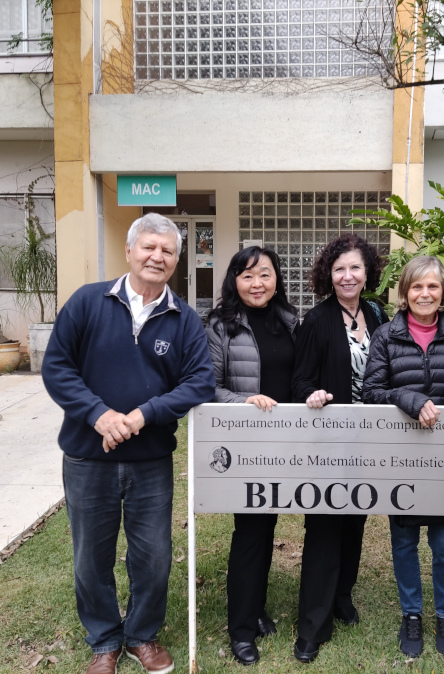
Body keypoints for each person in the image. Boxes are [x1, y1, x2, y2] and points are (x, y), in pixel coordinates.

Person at [41, 213, 215, 674]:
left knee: (154, 555)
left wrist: (143, 414)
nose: (158, 257)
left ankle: (142, 635)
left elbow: (199, 382)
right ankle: (103, 640)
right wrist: (99, 415)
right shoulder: (86, 302)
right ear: (130, 250)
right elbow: (57, 367)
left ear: (177, 260)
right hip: (87, 455)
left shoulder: (183, 319)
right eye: (149, 247)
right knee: (90, 557)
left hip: (150, 460)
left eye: (168, 251)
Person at [362, 256, 444, 658]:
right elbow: (371, 391)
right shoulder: (386, 336)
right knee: (405, 541)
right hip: (402, 454)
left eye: (432, 287)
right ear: (404, 292)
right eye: (416, 287)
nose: (424, 294)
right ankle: (411, 614)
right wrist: (408, 398)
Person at [291, 233, 387, 663]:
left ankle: (342, 599)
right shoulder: (315, 321)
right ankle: (312, 624)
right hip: (329, 440)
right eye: (339, 269)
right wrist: (311, 395)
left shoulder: (378, 315)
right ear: (328, 276)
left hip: (370, 440)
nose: (347, 276)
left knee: (355, 522)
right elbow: (300, 380)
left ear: (367, 273)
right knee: (325, 528)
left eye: (355, 268)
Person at [205, 246, 298, 666]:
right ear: (234, 281)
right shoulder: (220, 325)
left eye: (264, 274)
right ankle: (241, 629)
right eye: (247, 276)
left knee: (267, 525)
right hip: (247, 442)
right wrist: (246, 401)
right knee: (250, 531)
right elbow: (208, 385)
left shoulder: (292, 321)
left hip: (290, 441)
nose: (257, 284)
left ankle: (256, 608)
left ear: (276, 278)